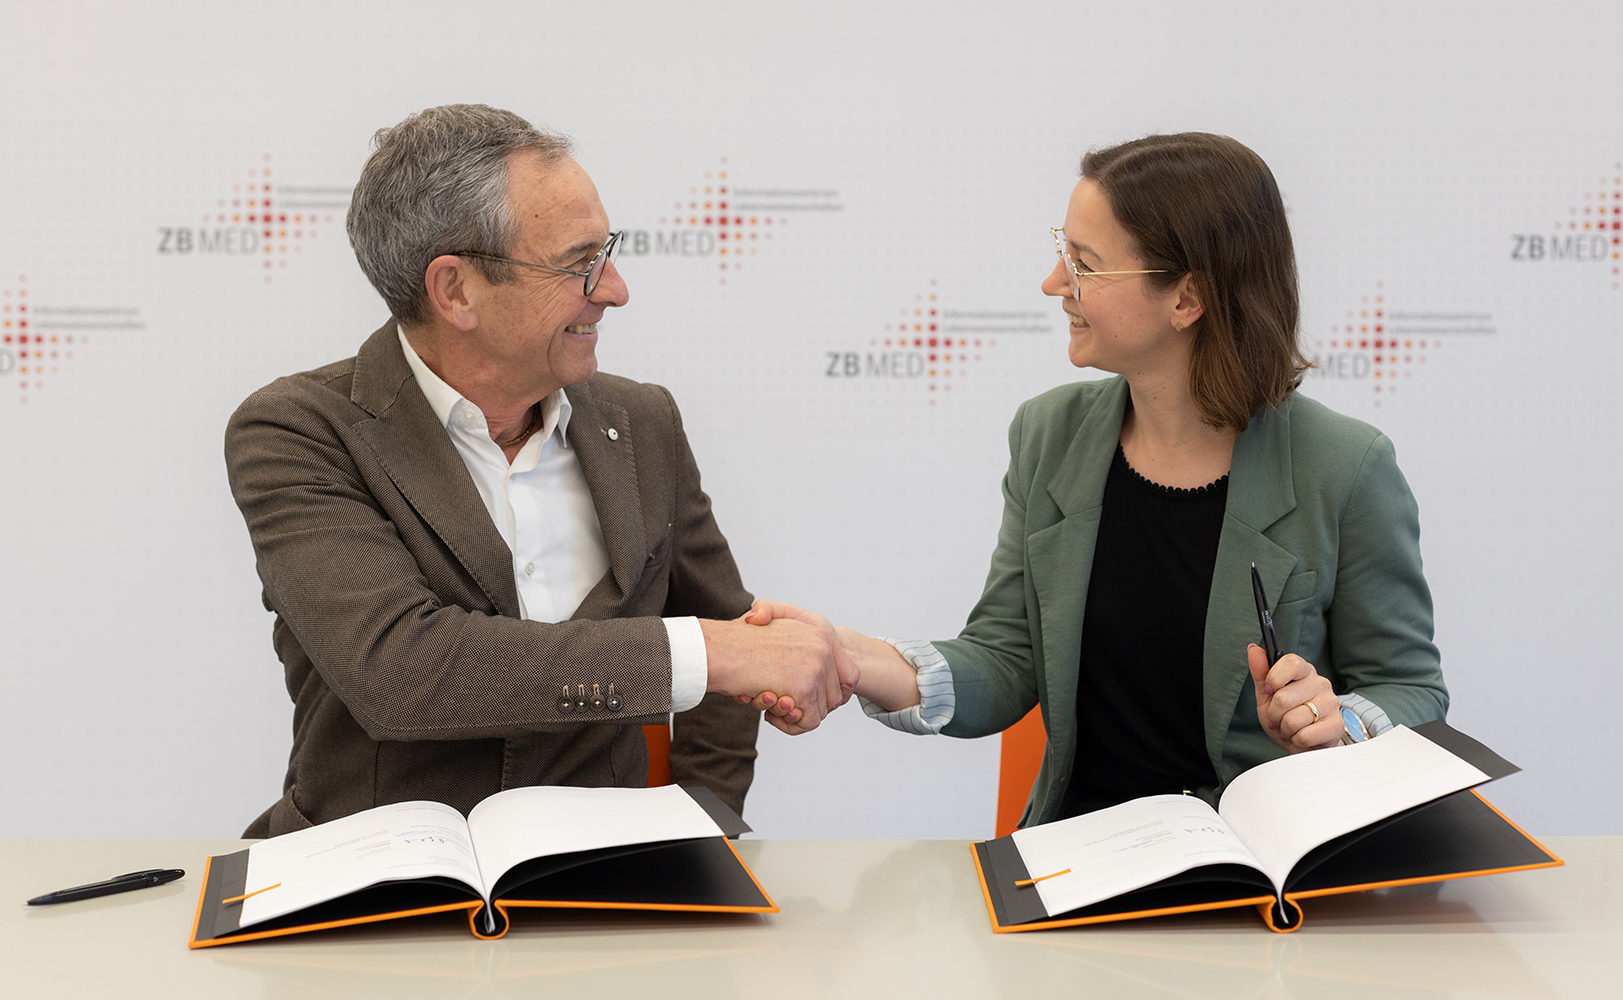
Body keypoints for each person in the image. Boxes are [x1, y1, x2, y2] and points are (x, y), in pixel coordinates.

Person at [747, 132, 1448, 827]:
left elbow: (1411, 688)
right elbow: (1006, 660)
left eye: (1084, 264)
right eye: (1063, 253)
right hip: (1079, 855)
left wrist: (1337, 722)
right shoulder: (1049, 435)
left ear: (1187, 297)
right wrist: (852, 657)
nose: (1054, 284)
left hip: (1256, 861)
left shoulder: (1345, 466)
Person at [225, 104, 851, 838]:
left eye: (606, 251)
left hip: (601, 881)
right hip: (374, 877)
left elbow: (730, 639)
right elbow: (402, 670)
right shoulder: (300, 430)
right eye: (579, 263)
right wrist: (706, 654)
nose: (614, 288)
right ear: (455, 290)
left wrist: (697, 828)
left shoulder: (641, 422)